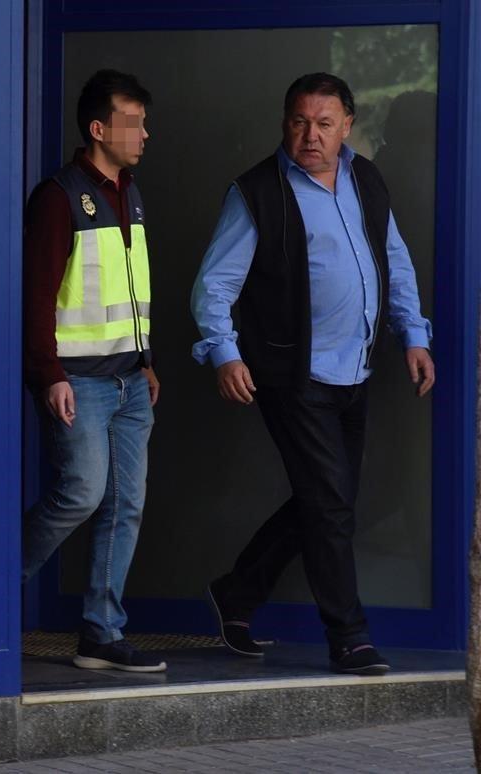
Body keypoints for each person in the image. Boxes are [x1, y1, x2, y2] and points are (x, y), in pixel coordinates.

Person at [190, 72, 433, 676]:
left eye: (324, 124)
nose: (311, 135)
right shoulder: (258, 191)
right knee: (329, 507)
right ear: (284, 122)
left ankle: (238, 592)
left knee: (330, 500)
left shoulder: (366, 179)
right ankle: (348, 636)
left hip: (356, 369)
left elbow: (393, 260)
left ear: (347, 125)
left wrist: (414, 334)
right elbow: (213, 286)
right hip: (292, 374)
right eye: (300, 122)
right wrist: (223, 351)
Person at [22, 69, 164, 673]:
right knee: (81, 493)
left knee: (125, 503)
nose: (144, 134)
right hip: (77, 380)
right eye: (133, 123)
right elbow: (37, 296)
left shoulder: (128, 190)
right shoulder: (59, 197)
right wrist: (48, 373)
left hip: (131, 381)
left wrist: (147, 361)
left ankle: (102, 632)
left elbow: (129, 289)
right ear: (99, 128)